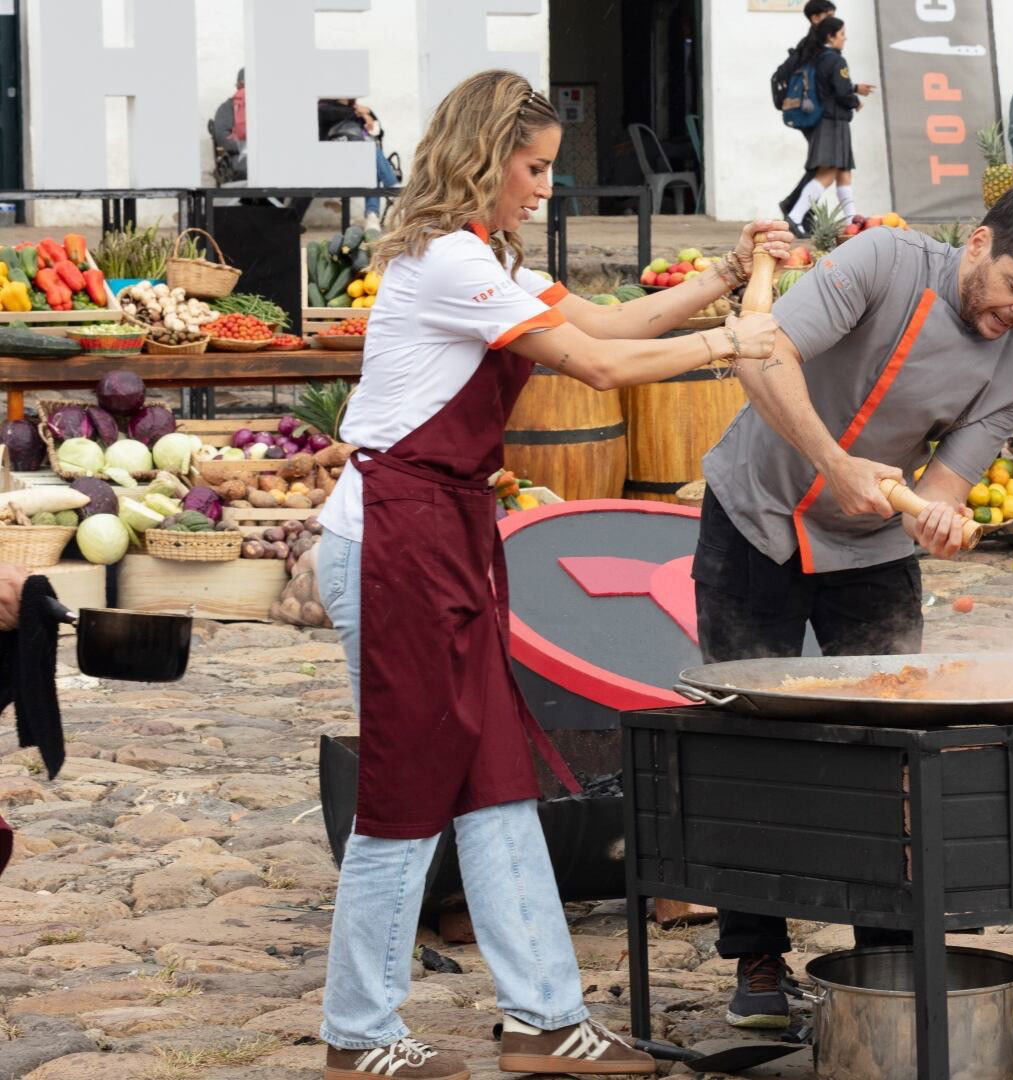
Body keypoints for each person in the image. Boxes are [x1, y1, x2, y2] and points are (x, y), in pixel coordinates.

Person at [312, 68, 786, 1080]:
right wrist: (733, 335)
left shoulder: (483, 259)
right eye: (531, 168)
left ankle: (544, 1017)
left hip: (444, 531)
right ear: (483, 159)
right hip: (395, 540)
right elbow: (599, 369)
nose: (543, 186)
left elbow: (607, 325)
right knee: (407, 790)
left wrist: (720, 277)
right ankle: (358, 1034)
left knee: (495, 784)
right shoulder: (449, 263)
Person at [698, 178, 1013, 1031]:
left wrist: (942, 525)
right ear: (980, 245)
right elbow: (761, 356)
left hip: (869, 551)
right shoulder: (882, 260)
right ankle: (757, 962)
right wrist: (833, 463)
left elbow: (942, 490)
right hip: (752, 514)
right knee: (743, 742)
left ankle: (885, 956)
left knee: (891, 753)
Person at [785, 16, 873, 234]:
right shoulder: (836, 60)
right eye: (842, 34)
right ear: (830, 36)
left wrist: (853, 88)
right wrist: (855, 101)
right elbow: (841, 91)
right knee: (828, 172)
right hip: (832, 122)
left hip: (827, 121)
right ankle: (795, 216)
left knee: (843, 172)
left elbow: (831, 86)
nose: (845, 38)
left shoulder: (817, 58)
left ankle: (852, 220)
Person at [775, 0, 838, 225]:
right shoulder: (814, 44)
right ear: (816, 18)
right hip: (813, 113)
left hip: (812, 112)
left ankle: (803, 211)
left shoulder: (811, 42)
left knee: (819, 164)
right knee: (821, 165)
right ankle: (794, 207)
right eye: (829, 15)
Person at [320, 98, 402, 230]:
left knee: (370, 161)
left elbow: (378, 134)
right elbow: (330, 114)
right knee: (369, 151)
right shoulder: (325, 107)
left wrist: (368, 115)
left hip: (360, 161)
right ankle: (391, 185)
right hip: (335, 161)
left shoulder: (359, 110)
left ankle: (372, 216)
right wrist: (361, 112)